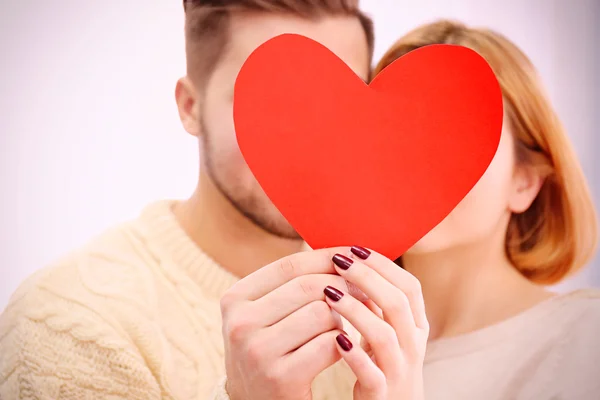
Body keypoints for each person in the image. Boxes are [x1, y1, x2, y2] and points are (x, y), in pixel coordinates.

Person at [0, 1, 375, 399]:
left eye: (340, 99)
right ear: (190, 107)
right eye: (271, 99)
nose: (312, 138)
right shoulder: (66, 327)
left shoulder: (386, 294)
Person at [218, 18, 600, 400]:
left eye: (449, 132)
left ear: (525, 182)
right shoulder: (300, 344)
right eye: (391, 132)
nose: (408, 163)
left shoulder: (586, 342)